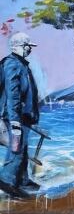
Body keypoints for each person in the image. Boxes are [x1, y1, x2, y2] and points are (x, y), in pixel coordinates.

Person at [0, 32, 41, 199]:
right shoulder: (12, 64)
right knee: (16, 148)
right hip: (13, 116)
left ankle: (22, 180)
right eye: (27, 47)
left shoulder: (20, 63)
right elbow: (12, 94)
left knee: (22, 148)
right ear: (17, 47)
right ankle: (8, 181)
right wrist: (15, 121)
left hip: (22, 115)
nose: (29, 50)